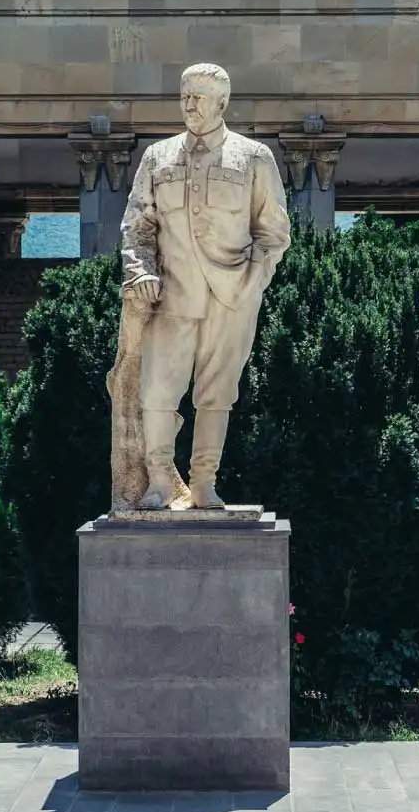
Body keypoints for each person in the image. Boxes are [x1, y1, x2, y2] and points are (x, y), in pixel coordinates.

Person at [119, 62, 291, 509]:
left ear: (222, 102)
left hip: (232, 296)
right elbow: (137, 226)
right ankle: (159, 481)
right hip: (171, 295)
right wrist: (140, 272)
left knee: (217, 393)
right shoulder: (157, 157)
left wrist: (254, 280)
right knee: (157, 390)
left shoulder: (254, 157)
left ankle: (203, 483)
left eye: (198, 96)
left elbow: (273, 232)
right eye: (184, 95)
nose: (189, 105)